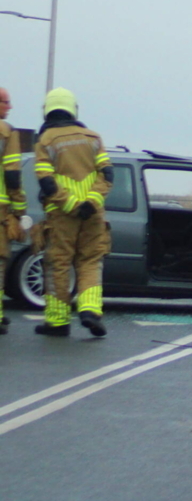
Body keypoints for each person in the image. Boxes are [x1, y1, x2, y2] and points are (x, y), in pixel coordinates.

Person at [33, 88, 113, 338]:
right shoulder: (93, 138)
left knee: (59, 263)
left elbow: (45, 180)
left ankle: (57, 322)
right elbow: (108, 174)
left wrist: (69, 205)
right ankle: (90, 310)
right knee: (90, 261)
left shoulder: (46, 141)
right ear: (73, 109)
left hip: (62, 215)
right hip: (94, 214)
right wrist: (91, 202)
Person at [0, 88, 28, 335]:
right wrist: (19, 209)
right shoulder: (6, 133)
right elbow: (12, 175)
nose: (9, 107)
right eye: (6, 103)